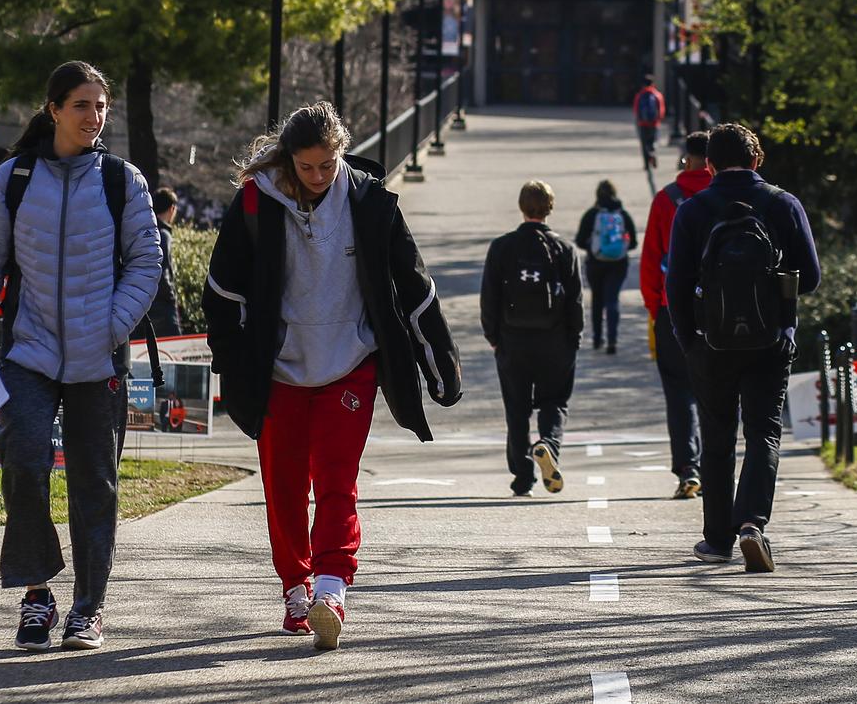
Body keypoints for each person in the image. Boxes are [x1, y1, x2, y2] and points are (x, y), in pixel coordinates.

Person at [202, 101, 461, 651]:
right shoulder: (255, 202)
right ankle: (295, 586)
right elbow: (223, 290)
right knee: (285, 487)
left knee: (337, 479)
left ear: (341, 153)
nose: (318, 177)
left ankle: (331, 587)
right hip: (280, 369)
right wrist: (234, 360)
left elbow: (413, 284)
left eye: (327, 165)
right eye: (306, 167)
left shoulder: (369, 202)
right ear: (288, 159)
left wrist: (439, 361)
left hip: (350, 362)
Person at [0, 61, 161, 653]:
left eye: (102, 107)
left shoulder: (123, 181)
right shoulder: (13, 179)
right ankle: (37, 595)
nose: (94, 117)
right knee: (22, 462)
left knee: (95, 481)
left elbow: (147, 264)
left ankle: (88, 610)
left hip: (99, 357)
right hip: (28, 352)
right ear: (54, 110)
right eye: (83, 106)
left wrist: (114, 326)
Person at [666, 123, 820, 573]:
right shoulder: (783, 204)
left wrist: (688, 340)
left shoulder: (693, 211)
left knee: (716, 438)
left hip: (710, 343)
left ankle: (716, 540)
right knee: (764, 431)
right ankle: (752, 522)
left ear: (709, 165)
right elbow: (809, 278)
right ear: (757, 159)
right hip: (770, 340)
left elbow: (675, 285)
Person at [480, 180, 583, 497]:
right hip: (554, 342)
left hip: (513, 340)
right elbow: (575, 300)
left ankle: (523, 477)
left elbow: (490, 296)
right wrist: (573, 338)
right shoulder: (564, 249)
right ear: (549, 208)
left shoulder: (502, 247)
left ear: (522, 207)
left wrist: (494, 336)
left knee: (517, 409)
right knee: (555, 402)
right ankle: (547, 444)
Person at [639, 132, 713, 499]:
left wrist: (656, 306)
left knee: (679, 390)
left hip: (674, 308)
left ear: (687, 157)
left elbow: (651, 257)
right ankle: (719, 465)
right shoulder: (727, 196)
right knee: (719, 390)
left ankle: (689, 468)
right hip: (724, 311)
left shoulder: (667, 198)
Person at [575, 181, 637, 355]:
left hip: (595, 263)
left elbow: (580, 240)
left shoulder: (591, 214)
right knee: (612, 299)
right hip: (618, 264)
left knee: (597, 299)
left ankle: (596, 338)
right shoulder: (623, 215)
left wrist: (593, 246)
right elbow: (632, 243)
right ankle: (612, 340)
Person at [136, 186, 181, 340]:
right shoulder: (164, 234)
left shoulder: (144, 230)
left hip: (143, 305)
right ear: (172, 209)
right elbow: (164, 270)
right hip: (163, 307)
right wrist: (171, 298)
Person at [632, 74, 666, 169]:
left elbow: (635, 110)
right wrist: (658, 119)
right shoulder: (657, 95)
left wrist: (639, 119)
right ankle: (653, 153)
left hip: (642, 124)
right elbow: (661, 110)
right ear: (653, 84)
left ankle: (646, 164)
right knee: (653, 141)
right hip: (654, 123)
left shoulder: (640, 95)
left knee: (644, 143)